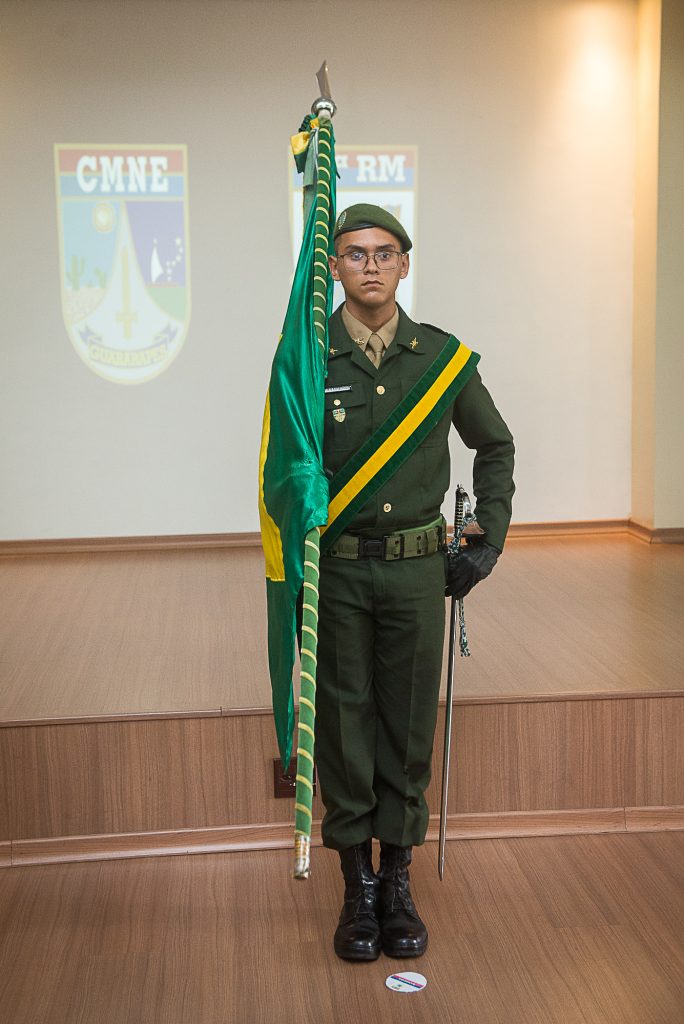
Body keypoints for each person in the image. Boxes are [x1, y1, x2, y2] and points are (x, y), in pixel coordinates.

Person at [315, 203, 515, 961]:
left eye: (385, 252)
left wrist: (485, 540)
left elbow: (495, 446)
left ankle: (396, 881)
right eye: (355, 253)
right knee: (342, 723)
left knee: (404, 726)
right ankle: (355, 888)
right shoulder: (306, 359)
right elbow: (282, 471)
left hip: (412, 574)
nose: (370, 264)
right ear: (334, 266)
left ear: (404, 264)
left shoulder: (443, 360)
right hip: (335, 571)